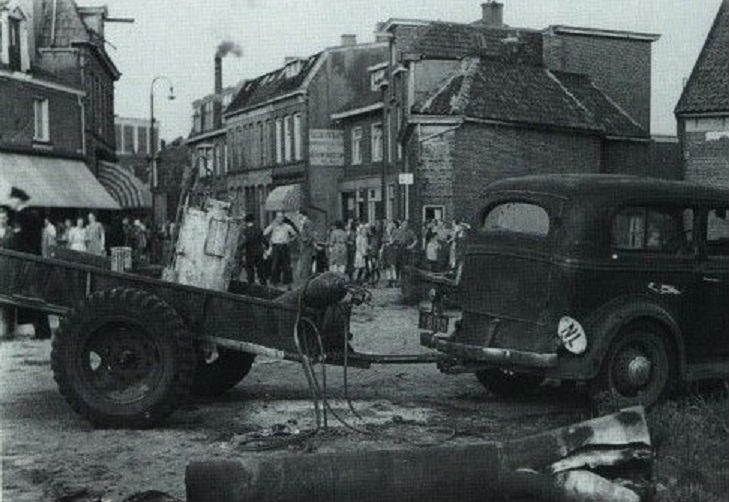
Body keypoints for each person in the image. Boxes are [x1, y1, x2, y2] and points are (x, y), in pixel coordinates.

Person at [5, 187, 51, 339]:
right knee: (34, 295)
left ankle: (41, 331)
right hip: (33, 260)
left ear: (18, 199)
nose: (10, 201)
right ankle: (42, 330)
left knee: (31, 295)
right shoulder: (32, 215)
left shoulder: (22, 216)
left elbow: (18, 241)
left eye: (11, 198)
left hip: (27, 261)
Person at [263, 212, 297, 289]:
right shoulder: (273, 225)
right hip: (276, 247)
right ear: (276, 218)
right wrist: (269, 241)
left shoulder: (287, 226)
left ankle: (288, 283)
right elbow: (264, 233)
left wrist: (290, 240)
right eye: (278, 217)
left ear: (283, 218)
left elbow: (294, 235)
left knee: (287, 266)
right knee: (275, 265)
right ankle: (275, 282)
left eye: (281, 217)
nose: (280, 219)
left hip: (284, 247)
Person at [239, 214, 266, 285]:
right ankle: (264, 285)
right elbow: (264, 240)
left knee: (250, 271)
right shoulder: (258, 229)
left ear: (246, 222)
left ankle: (251, 286)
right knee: (260, 270)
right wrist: (267, 246)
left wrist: (239, 248)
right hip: (259, 253)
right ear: (253, 221)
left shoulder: (245, 231)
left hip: (250, 253)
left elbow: (244, 241)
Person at [295, 210, 316, 285]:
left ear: (302, 214)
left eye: (298, 214)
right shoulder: (303, 223)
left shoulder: (307, 223)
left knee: (306, 265)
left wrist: (306, 243)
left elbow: (310, 236)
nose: (297, 216)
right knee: (304, 265)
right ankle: (304, 282)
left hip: (306, 248)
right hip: (304, 247)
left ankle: (306, 282)